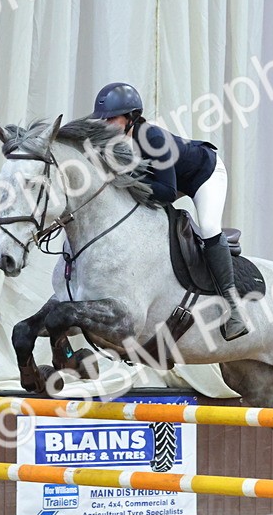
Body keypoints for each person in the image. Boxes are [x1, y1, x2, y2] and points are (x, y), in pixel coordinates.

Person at [90, 82, 248, 341]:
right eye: (102, 119)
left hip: (203, 174)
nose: (105, 125)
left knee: (208, 227)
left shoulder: (153, 138)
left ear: (131, 117)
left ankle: (234, 309)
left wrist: (127, 173)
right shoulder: (110, 142)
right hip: (168, 178)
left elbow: (165, 192)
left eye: (111, 119)